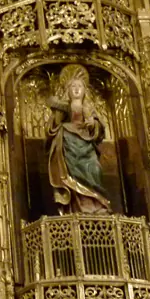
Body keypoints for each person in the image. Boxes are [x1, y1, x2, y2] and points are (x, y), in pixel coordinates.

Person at [46, 64, 111, 214]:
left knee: (94, 169)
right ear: (67, 91)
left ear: (84, 91)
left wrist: (92, 124)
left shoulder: (88, 108)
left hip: (86, 145)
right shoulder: (63, 106)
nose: (76, 89)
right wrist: (57, 114)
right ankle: (76, 208)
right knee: (71, 173)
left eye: (79, 87)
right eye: (73, 87)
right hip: (68, 144)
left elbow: (99, 127)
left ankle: (96, 205)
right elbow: (54, 127)